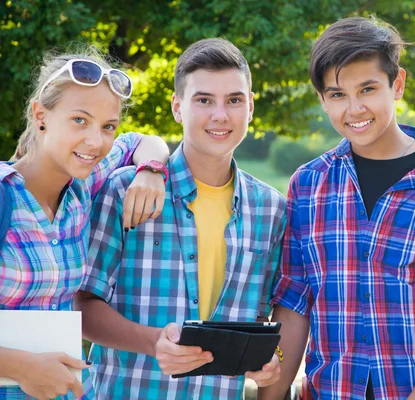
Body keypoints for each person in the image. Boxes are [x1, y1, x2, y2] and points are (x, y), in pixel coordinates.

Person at [260, 16, 415, 400]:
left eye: (368, 88)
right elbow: (295, 303)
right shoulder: (308, 185)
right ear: (321, 99)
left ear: (397, 84)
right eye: (336, 94)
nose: (354, 109)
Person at [75, 38, 286, 399]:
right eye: (203, 100)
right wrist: (154, 341)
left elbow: (264, 317)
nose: (220, 115)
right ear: (177, 107)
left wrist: (271, 359)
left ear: (250, 107)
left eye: (234, 100)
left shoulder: (272, 209)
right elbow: (82, 303)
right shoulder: (125, 189)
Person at [0, 49, 170, 400]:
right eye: (80, 120)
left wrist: (151, 171)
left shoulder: (83, 186)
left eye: (108, 126)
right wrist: (22, 368)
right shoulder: (4, 197)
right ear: (40, 116)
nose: (96, 142)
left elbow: (142, 141)